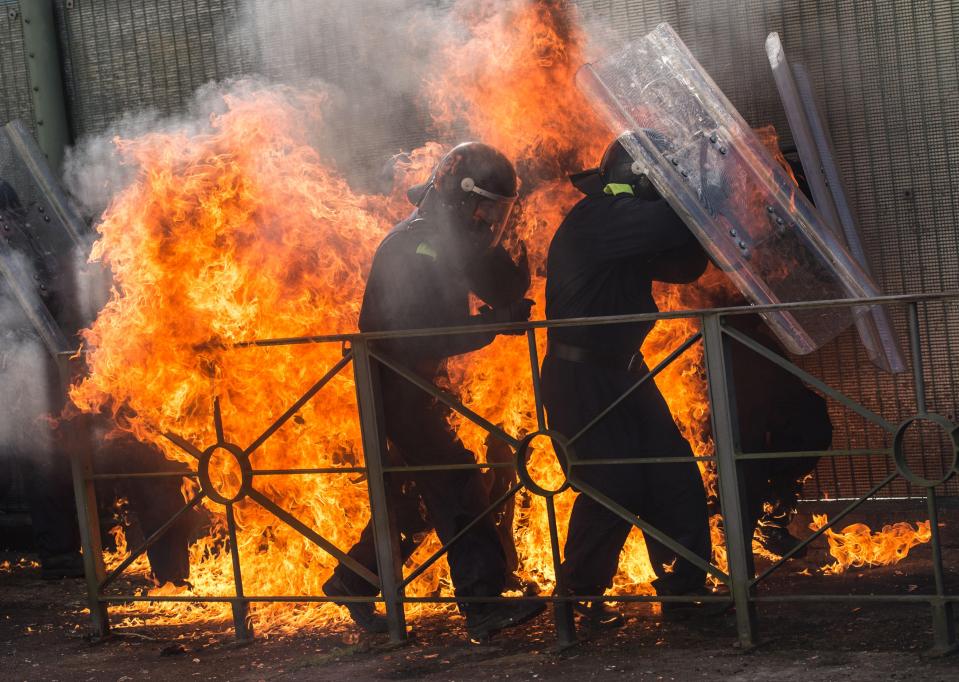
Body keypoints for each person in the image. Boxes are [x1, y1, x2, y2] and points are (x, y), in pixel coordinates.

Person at [323, 142, 543, 640]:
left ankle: (353, 580)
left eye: (498, 210)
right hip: (393, 384)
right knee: (457, 480)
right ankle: (483, 605)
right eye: (484, 206)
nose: (490, 218)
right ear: (458, 196)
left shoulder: (449, 240)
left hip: (413, 385)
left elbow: (502, 287)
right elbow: (425, 332)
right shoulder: (412, 246)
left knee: (416, 501)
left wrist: (505, 262)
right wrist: (493, 326)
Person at [541, 132, 719, 628]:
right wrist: (706, 184)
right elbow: (668, 221)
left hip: (623, 369)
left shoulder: (624, 224)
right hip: (580, 373)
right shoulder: (600, 218)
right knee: (611, 484)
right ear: (642, 179)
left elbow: (685, 264)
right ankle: (575, 599)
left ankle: (685, 591)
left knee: (673, 474)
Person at [723, 312, 832, 563]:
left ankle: (768, 526)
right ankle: (743, 547)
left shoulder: (757, 344)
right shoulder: (711, 342)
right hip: (738, 433)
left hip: (775, 432)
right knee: (745, 472)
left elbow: (796, 402)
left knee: (762, 469)